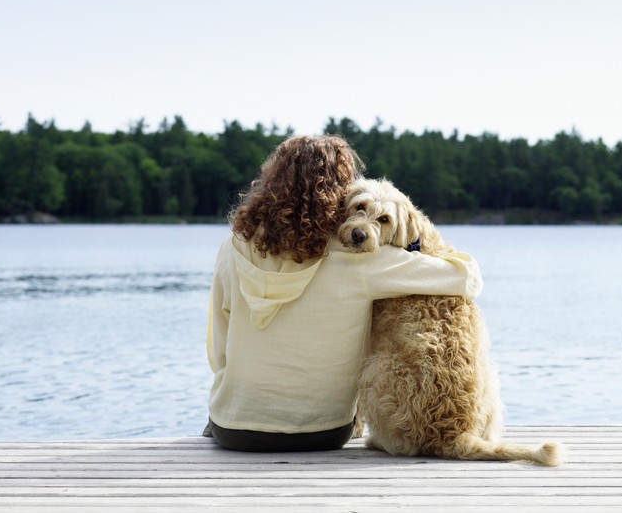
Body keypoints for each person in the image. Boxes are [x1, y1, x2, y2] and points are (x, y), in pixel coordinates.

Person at [205, 135, 482, 452]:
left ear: (271, 182)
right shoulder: (361, 258)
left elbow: (218, 350)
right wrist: (419, 238)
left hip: (234, 429)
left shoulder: (233, 247)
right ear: (339, 193)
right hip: (323, 432)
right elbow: (467, 279)